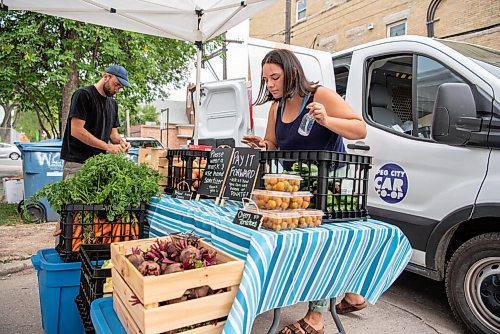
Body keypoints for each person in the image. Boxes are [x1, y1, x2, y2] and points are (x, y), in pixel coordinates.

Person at [242, 49, 367, 334]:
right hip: (298, 189)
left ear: (292, 72)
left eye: (275, 77)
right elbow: (275, 146)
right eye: (266, 79)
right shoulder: (276, 107)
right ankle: (351, 294)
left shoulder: (319, 96)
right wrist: (261, 145)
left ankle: (316, 316)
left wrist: (326, 120)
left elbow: (359, 130)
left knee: (321, 243)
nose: (271, 84)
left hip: (331, 185)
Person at [61, 65, 132, 179]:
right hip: (78, 163)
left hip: (99, 164)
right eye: (116, 84)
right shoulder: (83, 95)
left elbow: (113, 134)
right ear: (106, 76)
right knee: (75, 197)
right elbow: (76, 131)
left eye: (121, 87)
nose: (117, 90)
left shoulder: (113, 104)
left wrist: (121, 142)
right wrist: (107, 147)